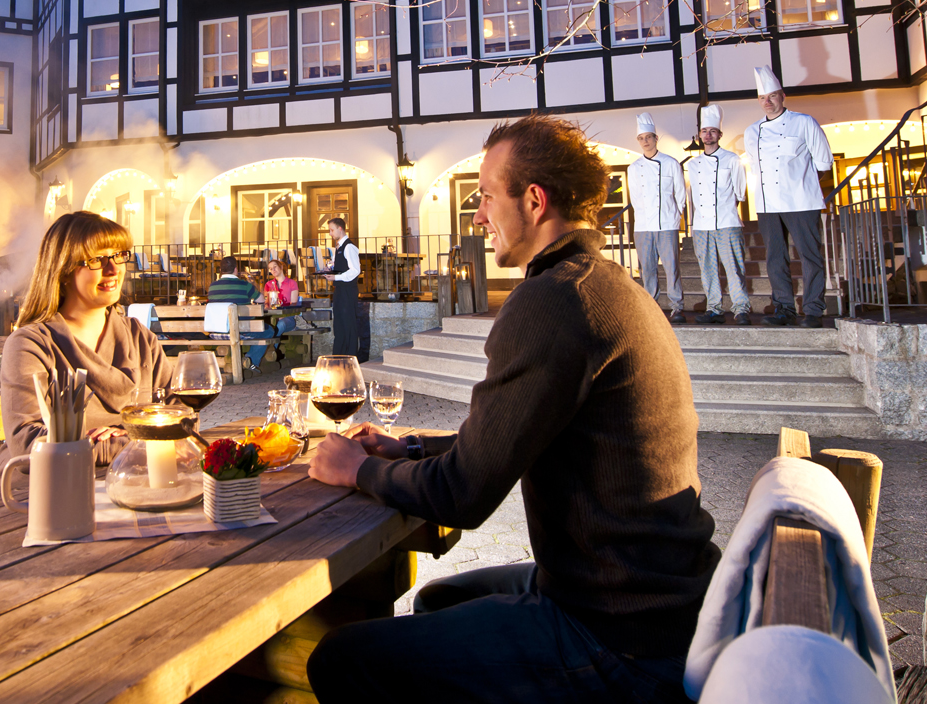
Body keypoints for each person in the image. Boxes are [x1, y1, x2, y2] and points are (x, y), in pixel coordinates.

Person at [304, 113, 719, 704]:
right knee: (435, 600)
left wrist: (358, 470)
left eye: (486, 198)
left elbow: (462, 495)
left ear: (533, 200)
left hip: (618, 632)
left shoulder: (553, 301)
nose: (477, 217)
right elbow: (512, 435)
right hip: (660, 597)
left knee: (343, 659)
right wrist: (410, 449)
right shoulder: (601, 283)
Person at [0, 210, 174, 479]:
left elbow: (179, 419)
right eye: (96, 260)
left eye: (118, 255)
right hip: (38, 493)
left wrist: (98, 442)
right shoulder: (31, 344)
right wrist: (136, 441)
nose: (113, 270)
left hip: (131, 481)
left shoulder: (140, 338)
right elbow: (28, 443)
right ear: (63, 270)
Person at [742, 66, 835, 328]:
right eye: (762, 98)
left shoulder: (804, 122)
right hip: (767, 203)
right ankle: (784, 307)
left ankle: (814, 309)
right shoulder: (752, 131)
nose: (767, 102)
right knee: (775, 258)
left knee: (810, 255)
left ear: (782, 95)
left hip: (801, 200)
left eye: (772, 96)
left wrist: (801, 183)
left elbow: (824, 162)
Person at [686, 104, 752, 325]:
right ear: (700, 135)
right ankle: (714, 309)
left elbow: (739, 193)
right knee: (707, 270)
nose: (708, 135)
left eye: (712, 131)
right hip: (702, 224)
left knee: (734, 268)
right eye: (704, 131)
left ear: (720, 135)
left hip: (727, 221)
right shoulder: (693, 165)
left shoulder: (733, 159)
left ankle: (741, 308)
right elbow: (693, 196)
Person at [627, 112, 688, 324]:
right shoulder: (633, 168)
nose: (645, 141)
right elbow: (635, 198)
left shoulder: (671, 163)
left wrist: (674, 215)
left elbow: (680, 194)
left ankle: (677, 307)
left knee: (672, 268)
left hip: (667, 224)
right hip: (643, 225)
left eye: (648, 137)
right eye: (641, 138)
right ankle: (652, 307)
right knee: (648, 270)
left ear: (656, 138)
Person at [206, 255, 268, 372]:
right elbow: (261, 300)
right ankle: (250, 361)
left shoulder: (212, 287)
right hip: (241, 329)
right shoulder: (244, 285)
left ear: (220, 270)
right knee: (267, 330)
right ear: (236, 270)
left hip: (217, 330)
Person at [320, 217, 363, 361]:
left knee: (348, 324)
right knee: (339, 324)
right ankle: (338, 358)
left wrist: (336, 278)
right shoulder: (338, 247)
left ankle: (350, 358)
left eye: (331, 230)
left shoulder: (349, 247)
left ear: (340, 229)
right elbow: (338, 266)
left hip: (347, 291)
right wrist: (329, 269)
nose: (330, 234)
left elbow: (355, 270)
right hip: (339, 289)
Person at [262, 258, 300, 362]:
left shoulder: (292, 283)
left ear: (281, 267)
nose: (273, 270)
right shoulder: (268, 285)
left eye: (275, 267)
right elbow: (266, 303)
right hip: (272, 317)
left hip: (288, 318)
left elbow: (293, 303)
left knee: (281, 325)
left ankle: (270, 350)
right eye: (270, 269)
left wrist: (284, 314)